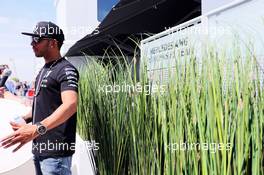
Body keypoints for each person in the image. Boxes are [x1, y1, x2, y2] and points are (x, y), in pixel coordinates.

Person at [0, 21, 79, 175]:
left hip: (56, 152)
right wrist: (24, 119)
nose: (32, 44)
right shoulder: (43, 70)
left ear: (53, 43)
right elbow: (42, 105)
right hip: (39, 148)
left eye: (37, 39)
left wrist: (37, 128)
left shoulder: (66, 69)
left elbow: (71, 104)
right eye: (31, 40)